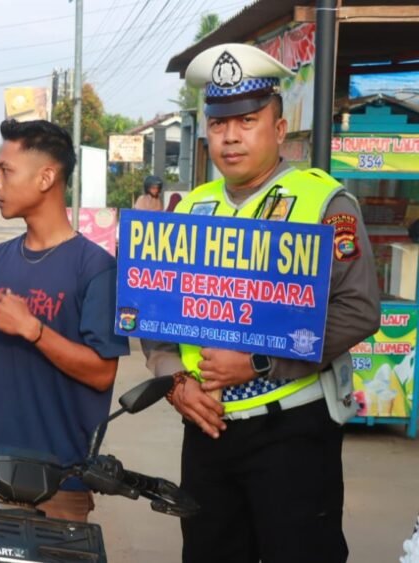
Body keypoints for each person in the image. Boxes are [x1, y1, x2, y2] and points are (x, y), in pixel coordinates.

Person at [142, 43, 380, 563]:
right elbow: (153, 313)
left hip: (291, 431)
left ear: (279, 129)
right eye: (219, 123)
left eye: (247, 121)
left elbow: (359, 309)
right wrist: (173, 380)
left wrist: (258, 362)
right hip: (206, 429)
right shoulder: (190, 209)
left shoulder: (324, 202)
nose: (231, 136)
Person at [0, 119, 129, 522]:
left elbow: (102, 372)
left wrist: (33, 330)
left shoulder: (96, 268)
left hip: (59, 482)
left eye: (5, 170)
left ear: (46, 178)